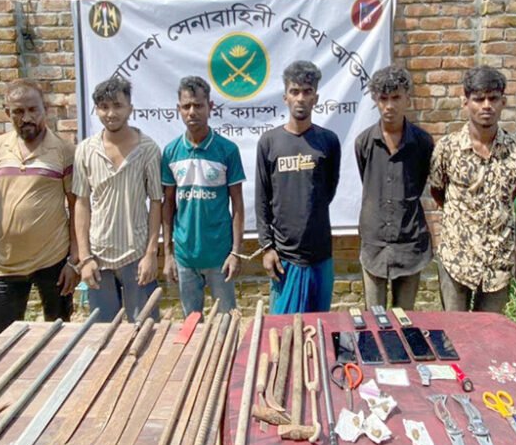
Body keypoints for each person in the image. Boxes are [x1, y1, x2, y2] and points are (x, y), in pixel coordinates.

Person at [0, 79, 78, 345]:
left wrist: (73, 261)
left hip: (53, 260)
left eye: (33, 110)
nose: (26, 117)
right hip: (6, 262)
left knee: (59, 339)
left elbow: (76, 207)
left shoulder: (64, 150)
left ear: (45, 110)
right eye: (18, 111)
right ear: (7, 113)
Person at [429, 65, 516, 313]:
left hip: (498, 262)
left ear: (503, 102)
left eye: (493, 99)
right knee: (455, 331)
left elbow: (513, 194)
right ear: (465, 102)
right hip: (457, 259)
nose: (486, 106)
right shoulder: (447, 148)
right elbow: (438, 191)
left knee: (491, 332)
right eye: (478, 99)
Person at [73, 75, 162, 323]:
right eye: (104, 107)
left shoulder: (148, 149)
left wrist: (151, 254)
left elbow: (156, 202)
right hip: (98, 258)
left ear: (130, 108)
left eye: (117, 106)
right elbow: (81, 204)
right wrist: (85, 258)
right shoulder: (86, 151)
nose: (111, 113)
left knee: (145, 330)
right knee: (103, 333)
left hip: (137, 257)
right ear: (96, 110)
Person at [255, 60, 341, 314]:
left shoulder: (328, 141)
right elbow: (262, 200)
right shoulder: (269, 142)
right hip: (284, 258)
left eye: (307, 91)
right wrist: (267, 247)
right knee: (282, 330)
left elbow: (328, 191)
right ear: (285, 97)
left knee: (319, 327)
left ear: (316, 98)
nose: (300, 98)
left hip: (320, 255)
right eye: (294, 91)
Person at [161, 76, 246, 316]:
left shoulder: (227, 150)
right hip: (185, 256)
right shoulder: (171, 152)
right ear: (178, 109)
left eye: (198, 105)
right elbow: (167, 206)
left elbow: (238, 206)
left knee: (226, 323)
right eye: (186, 106)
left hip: (220, 255)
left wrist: (235, 252)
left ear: (210, 107)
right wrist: (168, 254)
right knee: (191, 325)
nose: (192, 112)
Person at [355, 65, 434, 310]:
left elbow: (420, 181)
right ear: (375, 100)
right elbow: (366, 178)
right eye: (383, 98)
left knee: (405, 316)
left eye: (396, 97)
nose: (389, 106)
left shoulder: (422, 143)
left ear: (407, 98)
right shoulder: (365, 142)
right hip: (374, 243)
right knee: (374, 317)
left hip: (410, 243)